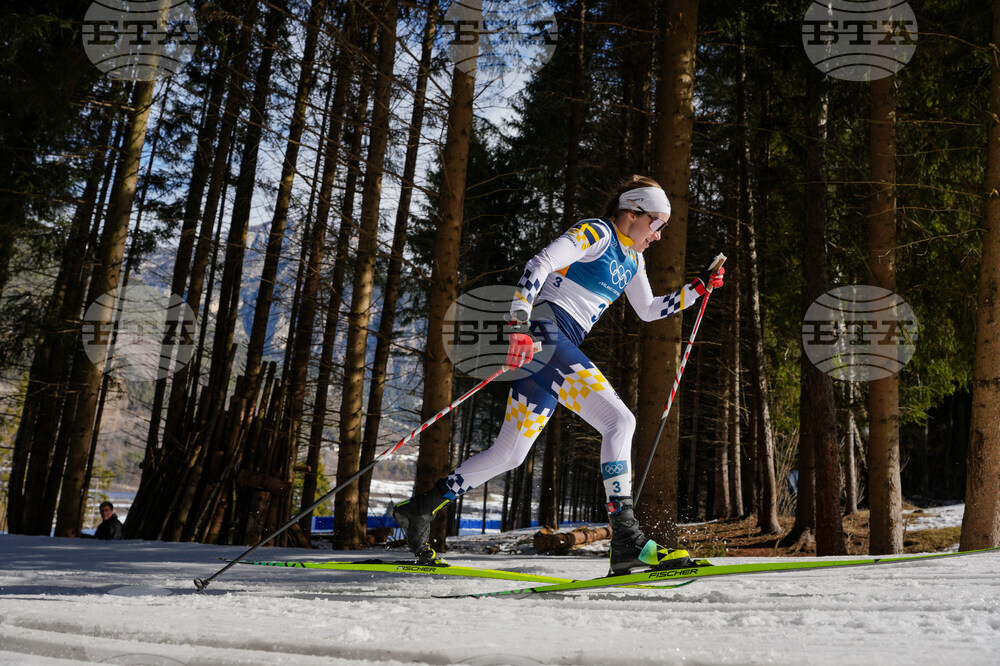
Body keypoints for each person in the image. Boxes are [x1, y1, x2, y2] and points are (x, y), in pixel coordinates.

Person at [393, 176, 724, 574]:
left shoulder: (633, 259)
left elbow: (650, 309)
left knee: (510, 453)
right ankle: (626, 537)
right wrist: (517, 325)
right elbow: (541, 263)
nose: (658, 235)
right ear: (633, 212)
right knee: (619, 420)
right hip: (543, 336)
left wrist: (697, 289)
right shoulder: (597, 232)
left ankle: (419, 509)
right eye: (657, 224)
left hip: (555, 347)